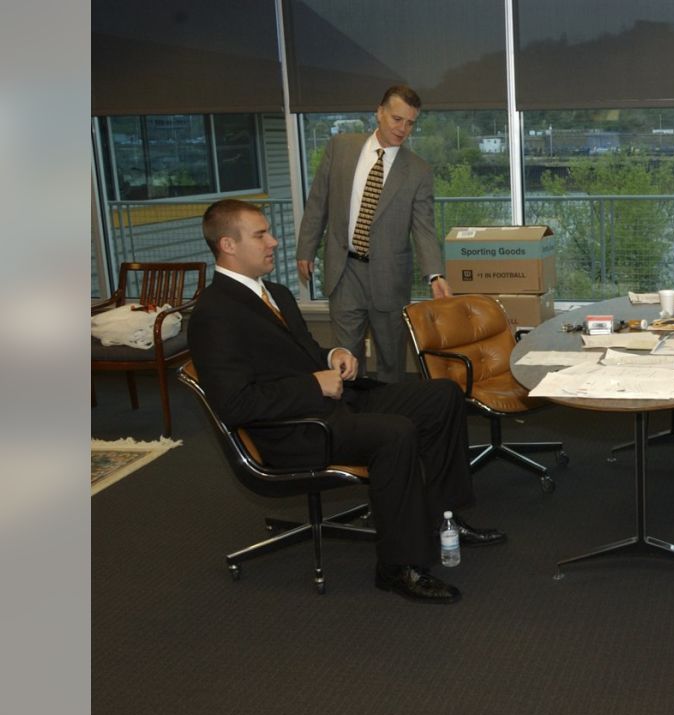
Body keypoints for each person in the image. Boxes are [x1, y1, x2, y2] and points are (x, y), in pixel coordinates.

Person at [190, 199, 504, 604]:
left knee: (441, 396)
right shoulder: (214, 314)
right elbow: (234, 404)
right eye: (261, 234)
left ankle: (443, 517)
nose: (274, 241)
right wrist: (313, 386)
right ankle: (398, 566)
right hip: (293, 430)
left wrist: (331, 357)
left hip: (330, 405)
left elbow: (301, 350)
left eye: (269, 232)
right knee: (395, 433)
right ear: (228, 245)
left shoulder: (277, 294)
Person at [296, 84, 448, 382]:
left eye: (410, 123)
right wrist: (306, 248)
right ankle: (352, 419)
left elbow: (424, 228)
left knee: (391, 362)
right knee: (346, 359)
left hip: (389, 278)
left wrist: (435, 275)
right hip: (344, 270)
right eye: (396, 119)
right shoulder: (340, 147)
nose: (403, 128)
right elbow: (318, 201)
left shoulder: (418, 171)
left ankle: (391, 421)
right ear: (379, 113)